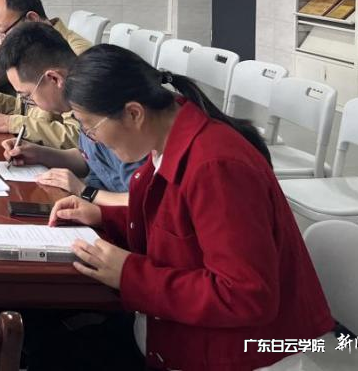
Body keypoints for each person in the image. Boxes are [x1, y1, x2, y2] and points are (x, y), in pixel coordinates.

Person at [50, 45, 333, 370]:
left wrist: (130, 275)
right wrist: (104, 215)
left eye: (90, 127)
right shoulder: (166, 141)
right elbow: (180, 225)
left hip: (237, 354)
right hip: (174, 334)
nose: (92, 139)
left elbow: (245, 295)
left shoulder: (216, 166)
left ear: (133, 113)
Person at [0, 22, 141, 205]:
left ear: (54, 78)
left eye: (27, 96)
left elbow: (145, 202)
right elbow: (91, 159)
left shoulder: (108, 106)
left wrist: (84, 191)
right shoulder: (79, 102)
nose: (31, 104)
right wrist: (40, 154)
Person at [0, 0, 89, 139]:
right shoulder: (36, 46)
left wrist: (11, 123)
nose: (1, 44)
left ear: (32, 20)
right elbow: (34, 109)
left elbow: (79, 138)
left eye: (3, 33)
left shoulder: (78, 58)